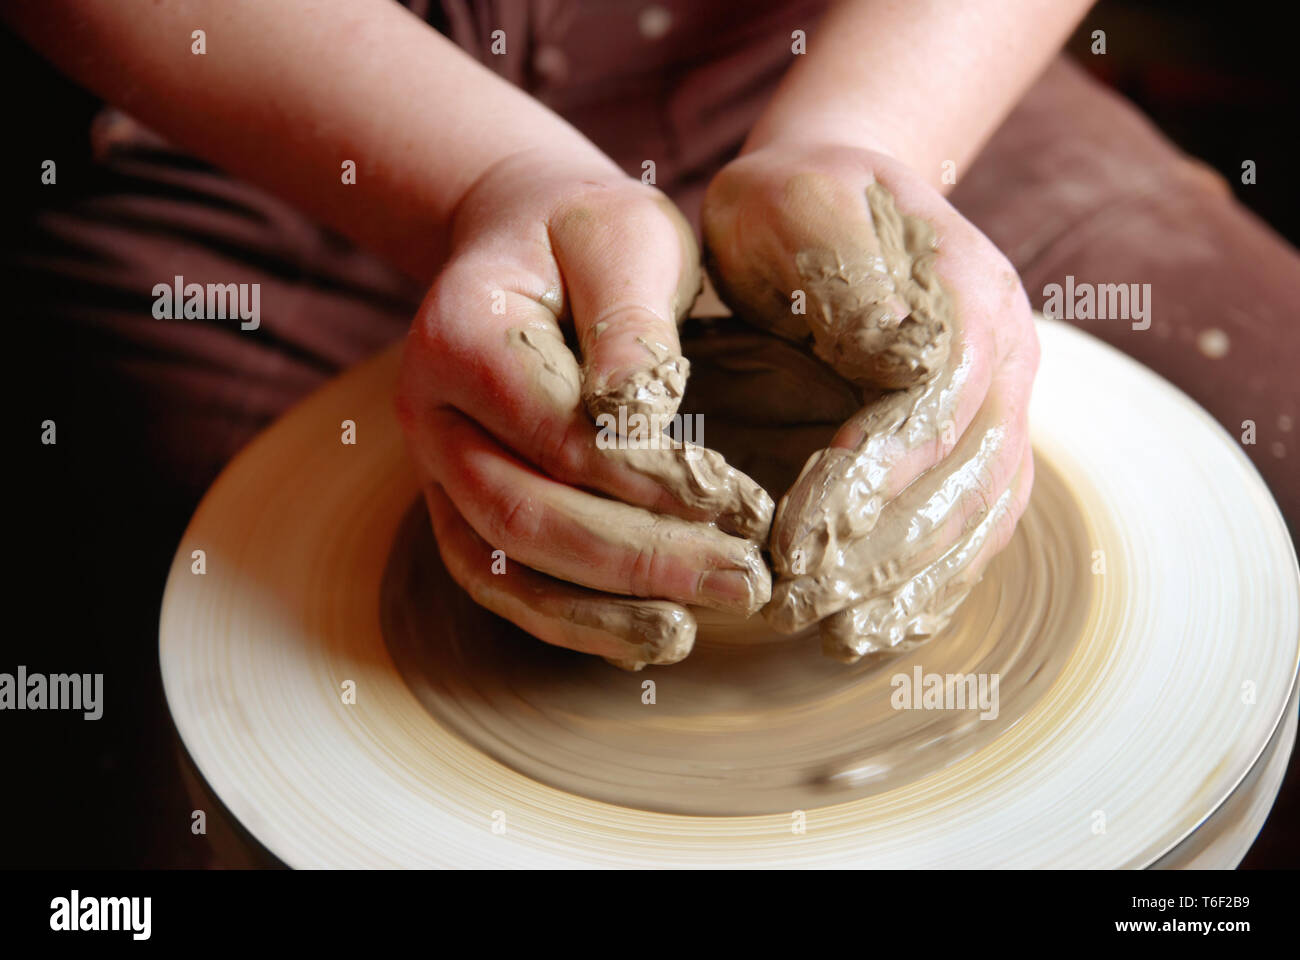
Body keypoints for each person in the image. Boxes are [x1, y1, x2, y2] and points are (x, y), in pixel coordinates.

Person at [8, 1, 1297, 666]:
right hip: (288, 106)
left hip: (861, 54)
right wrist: (483, 181)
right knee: (187, 673)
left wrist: (868, 142)